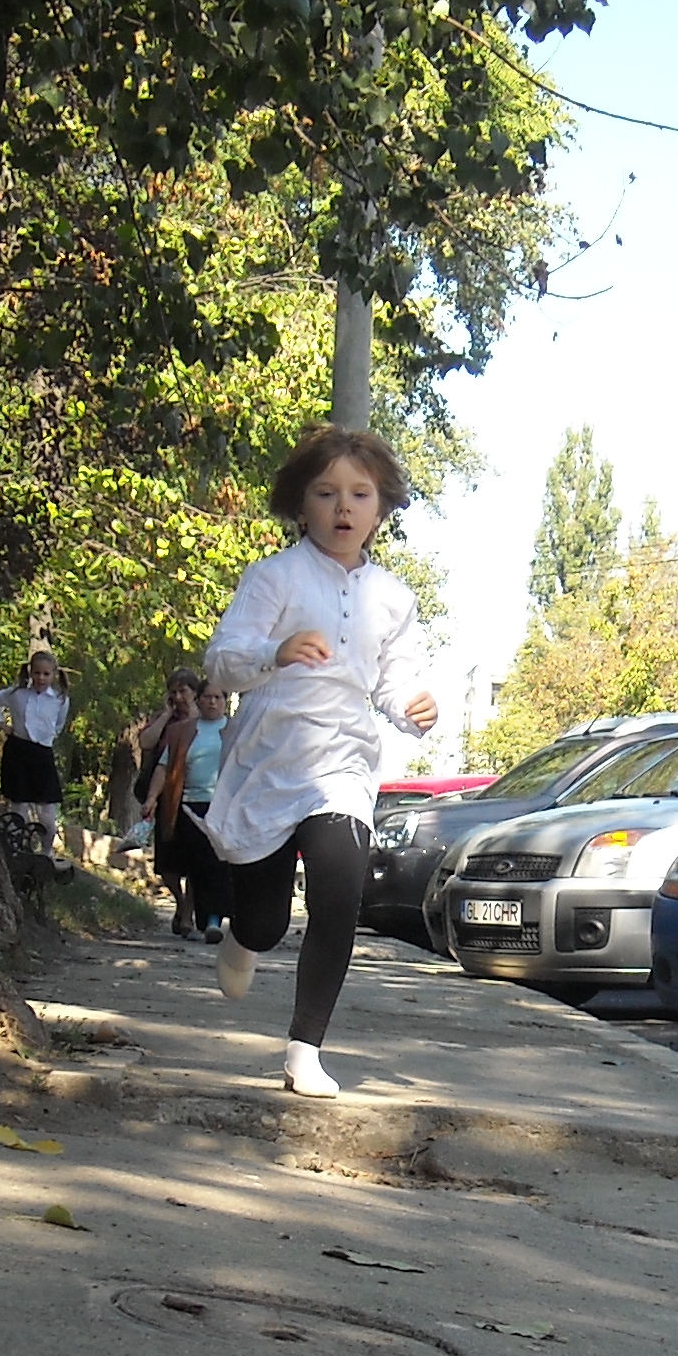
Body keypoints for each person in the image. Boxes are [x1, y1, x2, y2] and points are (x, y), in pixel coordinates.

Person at [198, 425, 439, 1098]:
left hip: (344, 760)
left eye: (360, 494)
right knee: (270, 920)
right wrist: (275, 652)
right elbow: (221, 660)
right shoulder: (273, 577)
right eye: (327, 492)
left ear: (380, 508)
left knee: (339, 893)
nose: (343, 506)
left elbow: (394, 681)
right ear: (300, 504)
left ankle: (305, 1050)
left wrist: (415, 706)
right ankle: (244, 936)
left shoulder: (393, 597)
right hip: (271, 758)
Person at [143, 675, 232, 941]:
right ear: (199, 699)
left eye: (218, 697)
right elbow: (163, 766)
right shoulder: (182, 731)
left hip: (223, 806)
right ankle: (192, 913)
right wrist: (151, 799)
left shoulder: (235, 730)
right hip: (188, 805)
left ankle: (212, 921)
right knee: (194, 866)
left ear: (226, 702)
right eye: (207, 697)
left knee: (216, 867)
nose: (212, 702)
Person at [0, 650, 71, 854]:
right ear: (30, 672)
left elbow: (58, 724)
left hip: (42, 754)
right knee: (19, 807)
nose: (41, 678)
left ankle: (46, 852)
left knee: (47, 812)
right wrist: (1, 724)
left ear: (54, 675)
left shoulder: (60, 699)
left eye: (46, 674)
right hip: (18, 751)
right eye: (37, 673)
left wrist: (47, 738)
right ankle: (16, 849)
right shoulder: (17, 694)